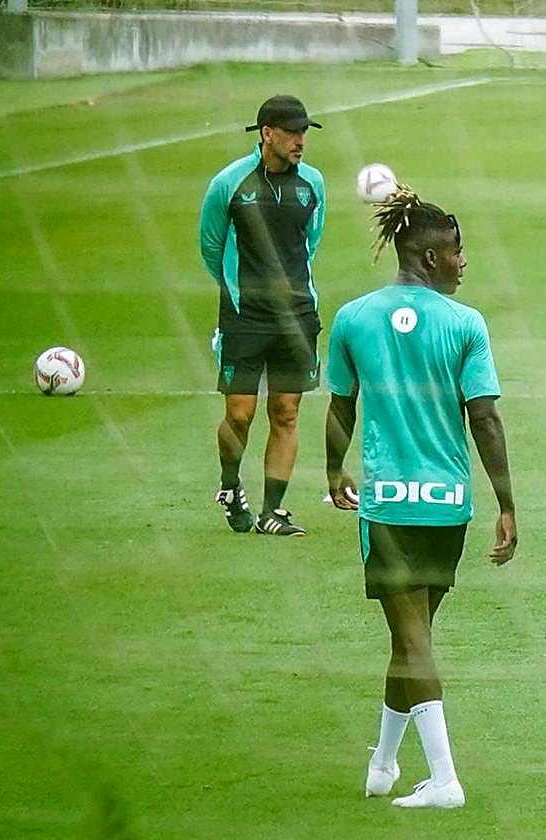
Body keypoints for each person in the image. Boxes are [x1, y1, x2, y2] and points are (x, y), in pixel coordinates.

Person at [324, 187, 517, 809]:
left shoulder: (354, 316)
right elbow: (484, 418)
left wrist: (333, 469)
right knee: (410, 639)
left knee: (414, 641)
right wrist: (507, 503)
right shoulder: (465, 324)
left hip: (388, 507)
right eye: (458, 253)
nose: (464, 263)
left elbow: (341, 404)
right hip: (447, 505)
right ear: (431, 258)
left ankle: (445, 780)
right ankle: (382, 764)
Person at [199, 95, 327, 535]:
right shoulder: (229, 184)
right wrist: (240, 290)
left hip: (297, 317)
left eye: (304, 132)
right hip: (244, 318)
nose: (300, 141)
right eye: (292, 132)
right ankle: (231, 486)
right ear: (267, 134)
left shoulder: (312, 184)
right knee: (239, 414)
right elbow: (211, 247)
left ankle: (273, 511)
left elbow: (310, 242)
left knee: (286, 412)